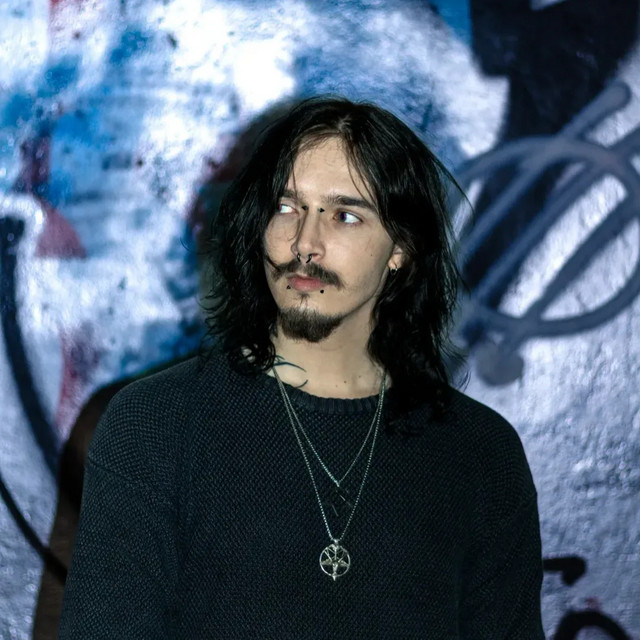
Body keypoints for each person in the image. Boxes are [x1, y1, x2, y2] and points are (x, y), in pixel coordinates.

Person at [58, 96, 545, 638]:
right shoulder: (154, 426)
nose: (305, 244)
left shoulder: (480, 455)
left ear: (400, 249)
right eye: (287, 208)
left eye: (344, 216)